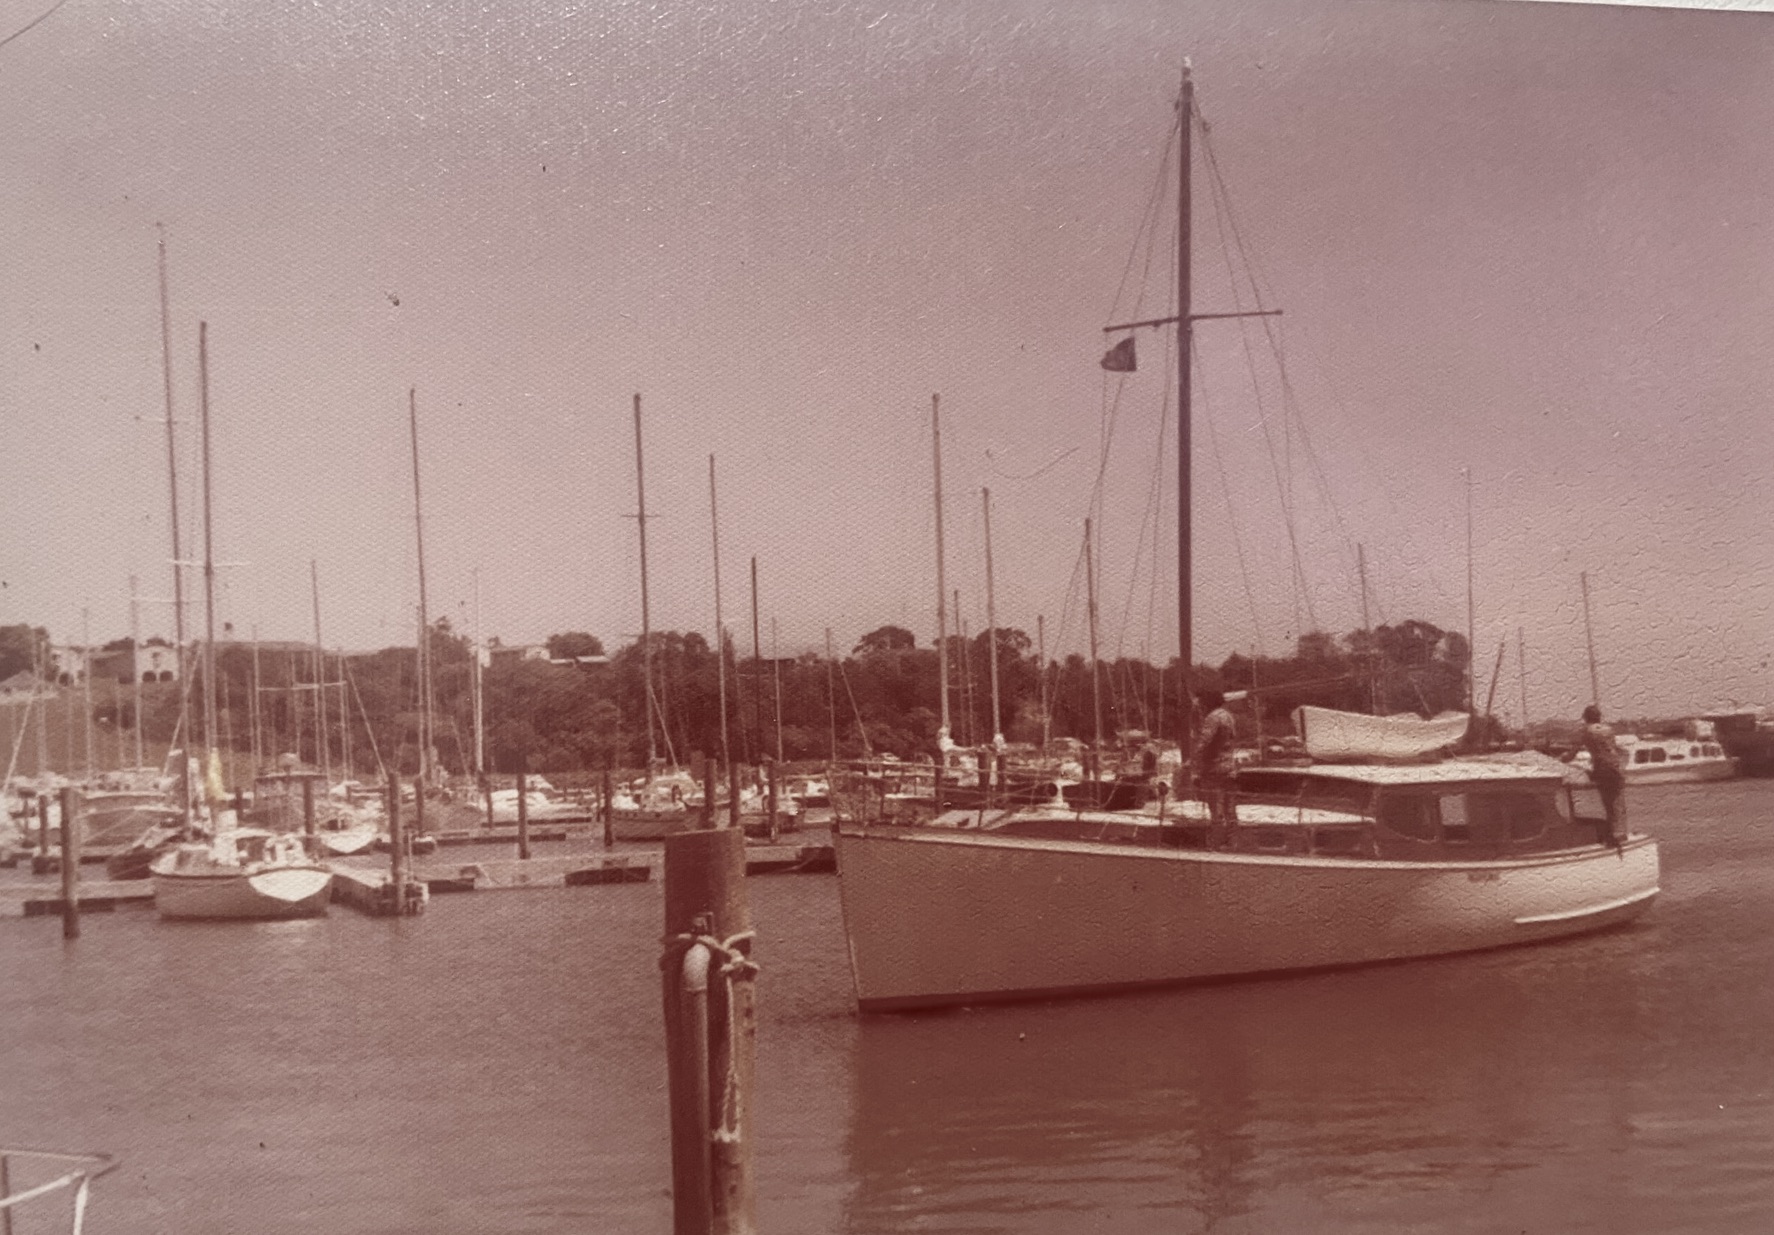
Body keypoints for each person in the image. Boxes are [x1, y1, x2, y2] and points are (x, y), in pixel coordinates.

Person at [1193, 689, 1239, 844]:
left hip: (1214, 768)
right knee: (1230, 809)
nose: (1200, 706)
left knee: (1216, 808)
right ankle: (1233, 842)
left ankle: (1217, 842)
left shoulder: (1212, 718)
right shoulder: (1228, 716)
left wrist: (1192, 760)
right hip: (1229, 766)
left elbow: (1204, 741)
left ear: (1207, 703)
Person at [1577, 703, 1626, 844]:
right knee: (1618, 802)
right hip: (1614, 768)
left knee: (1608, 803)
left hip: (1601, 768)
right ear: (1599, 717)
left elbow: (1573, 751)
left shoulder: (1586, 732)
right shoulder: (1609, 730)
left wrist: (1562, 760)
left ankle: (1612, 835)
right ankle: (1619, 833)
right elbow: (1613, 749)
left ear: (1586, 718)